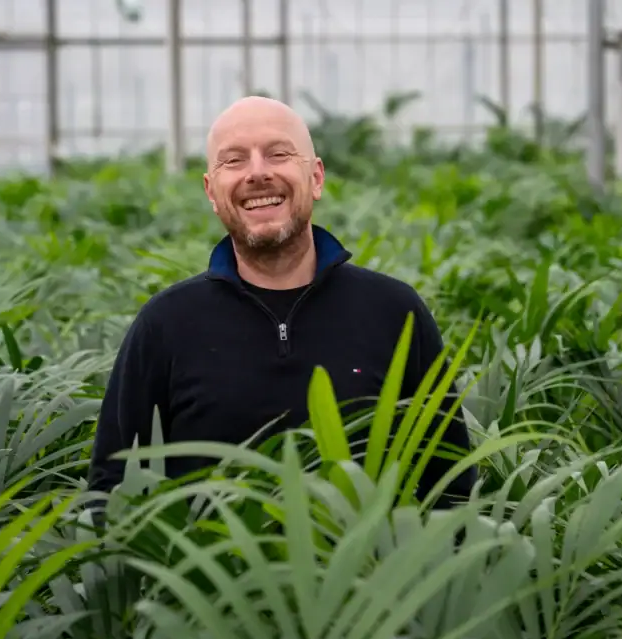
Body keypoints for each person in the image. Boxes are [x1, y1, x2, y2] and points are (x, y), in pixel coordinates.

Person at [87, 96, 477, 508]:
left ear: (316, 178)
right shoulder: (165, 325)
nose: (258, 173)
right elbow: (113, 492)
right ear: (211, 192)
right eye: (234, 160)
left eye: (278, 154)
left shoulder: (394, 312)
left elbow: (450, 487)